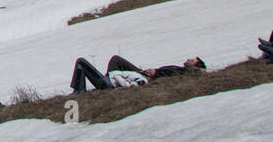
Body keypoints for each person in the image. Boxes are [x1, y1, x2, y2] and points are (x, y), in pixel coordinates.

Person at [70, 54, 205, 93]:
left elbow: (166, 77)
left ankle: (79, 91)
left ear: (195, 66)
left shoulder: (182, 72)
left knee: (81, 62)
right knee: (116, 59)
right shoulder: (180, 70)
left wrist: (154, 74)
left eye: (192, 60)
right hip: (143, 75)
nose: (188, 59)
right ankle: (110, 78)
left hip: (145, 78)